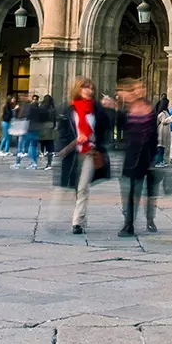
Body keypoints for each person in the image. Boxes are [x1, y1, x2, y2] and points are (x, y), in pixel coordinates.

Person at [57, 78, 112, 234]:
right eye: (85, 87)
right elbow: (63, 131)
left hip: (90, 153)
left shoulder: (97, 110)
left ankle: (77, 222)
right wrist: (71, 140)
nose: (89, 90)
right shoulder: (70, 110)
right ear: (78, 90)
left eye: (91, 88)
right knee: (75, 187)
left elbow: (107, 127)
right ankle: (82, 217)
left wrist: (109, 109)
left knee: (82, 187)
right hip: (74, 153)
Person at [117, 80, 161, 237]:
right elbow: (118, 124)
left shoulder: (150, 109)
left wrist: (154, 156)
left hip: (147, 156)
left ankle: (150, 219)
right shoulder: (128, 110)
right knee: (130, 192)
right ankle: (128, 224)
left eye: (142, 88)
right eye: (136, 89)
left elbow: (154, 135)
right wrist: (115, 106)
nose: (140, 91)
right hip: (131, 156)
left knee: (149, 191)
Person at [16, 97, 42, 171]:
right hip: (37, 129)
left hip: (30, 129)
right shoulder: (39, 110)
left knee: (24, 144)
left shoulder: (29, 109)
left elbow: (22, 116)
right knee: (34, 146)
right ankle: (34, 163)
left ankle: (21, 158)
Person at [37, 94, 58, 169]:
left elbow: (39, 118)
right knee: (50, 145)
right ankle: (49, 163)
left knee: (43, 143)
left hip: (43, 127)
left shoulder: (42, 107)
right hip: (50, 127)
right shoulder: (52, 108)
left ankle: (42, 155)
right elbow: (55, 118)